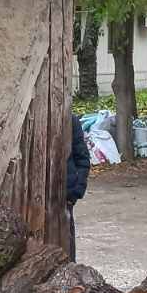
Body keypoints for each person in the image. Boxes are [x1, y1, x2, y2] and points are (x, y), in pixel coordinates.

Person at [66, 110, 90, 260]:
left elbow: (82, 159)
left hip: (64, 198)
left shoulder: (71, 121)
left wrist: (75, 191)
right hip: (33, 199)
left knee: (66, 247)